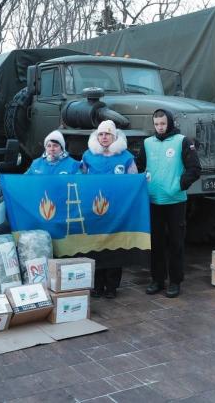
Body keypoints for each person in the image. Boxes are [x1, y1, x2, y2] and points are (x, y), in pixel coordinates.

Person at [136, 109, 201, 299]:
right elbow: (138, 166)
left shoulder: (182, 141)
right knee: (156, 243)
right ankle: (157, 280)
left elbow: (195, 169)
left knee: (176, 243)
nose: (160, 127)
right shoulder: (147, 143)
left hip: (175, 201)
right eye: (156, 124)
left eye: (163, 124)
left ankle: (175, 282)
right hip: (153, 201)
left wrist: (178, 185)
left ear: (170, 122)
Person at [81, 120, 137, 299]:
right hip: (94, 211)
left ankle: (112, 286)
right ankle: (97, 285)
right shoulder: (88, 156)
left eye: (108, 134)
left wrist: (143, 180)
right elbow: (79, 179)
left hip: (116, 211)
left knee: (114, 247)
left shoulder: (125, 157)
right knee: (96, 246)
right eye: (101, 134)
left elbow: (133, 181)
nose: (104, 137)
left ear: (114, 136)